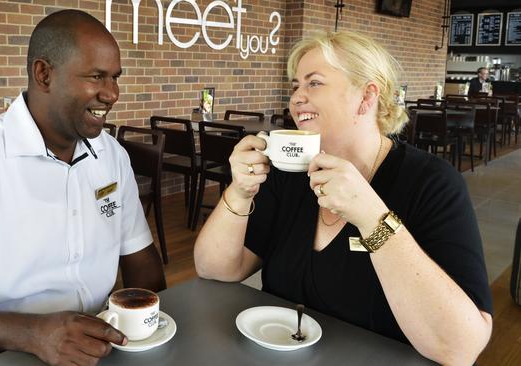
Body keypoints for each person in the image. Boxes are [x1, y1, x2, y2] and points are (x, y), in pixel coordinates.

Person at [194, 31, 492, 365]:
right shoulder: (290, 174)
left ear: (367, 97)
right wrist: (240, 189)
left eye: (314, 83)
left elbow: (460, 348)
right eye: (295, 86)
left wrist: (371, 218)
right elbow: (215, 268)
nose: (296, 98)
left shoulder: (431, 183)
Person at [0, 9, 166, 366]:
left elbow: (141, 260)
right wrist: (35, 334)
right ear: (44, 74)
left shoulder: (112, 156)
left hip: (92, 341)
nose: (112, 94)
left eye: (116, 78)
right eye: (96, 77)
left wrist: (149, 330)